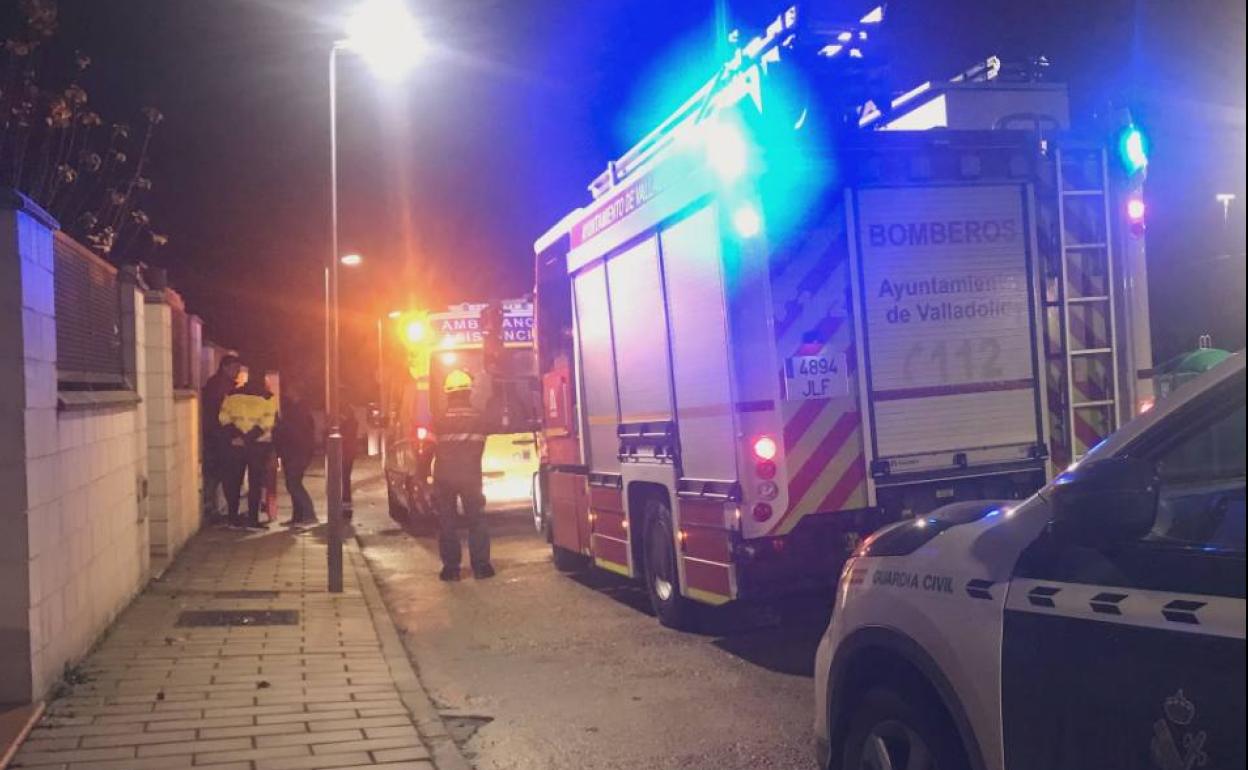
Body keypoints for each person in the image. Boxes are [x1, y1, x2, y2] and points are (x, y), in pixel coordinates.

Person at [431, 369, 494, 581]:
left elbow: (429, 449)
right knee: (476, 520)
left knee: (447, 523)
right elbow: (483, 445)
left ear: (448, 394)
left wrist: (425, 476)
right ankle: (481, 567)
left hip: (444, 478)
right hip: (470, 477)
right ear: (469, 392)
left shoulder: (438, 419)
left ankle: (451, 569)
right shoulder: (479, 418)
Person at [219, 365, 279, 529]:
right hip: (257, 445)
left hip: (236, 445)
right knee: (255, 483)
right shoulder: (268, 397)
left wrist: (238, 435)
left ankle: (233, 518)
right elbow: (267, 422)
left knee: (234, 482)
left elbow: (224, 417)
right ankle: (253, 519)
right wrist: (249, 438)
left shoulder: (232, 394)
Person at [201, 354, 241, 522]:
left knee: (217, 474)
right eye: (234, 368)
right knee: (220, 473)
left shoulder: (219, 384)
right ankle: (212, 509)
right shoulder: (219, 386)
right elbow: (222, 412)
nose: (237, 372)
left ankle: (213, 508)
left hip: (217, 435)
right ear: (225, 367)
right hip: (218, 436)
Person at [275, 379, 317, 527]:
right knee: (294, 483)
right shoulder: (300, 409)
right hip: (297, 452)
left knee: (293, 484)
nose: (286, 392)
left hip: (295, 452)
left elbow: (292, 431)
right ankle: (298, 517)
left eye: (289, 390)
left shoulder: (297, 410)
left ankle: (309, 514)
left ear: (295, 392)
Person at [339, 401, 360, 520]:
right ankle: (345, 503)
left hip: (346, 454)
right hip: (349, 453)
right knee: (345, 479)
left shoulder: (348, 423)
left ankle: (346, 504)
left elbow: (345, 436)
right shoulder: (352, 423)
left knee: (345, 479)